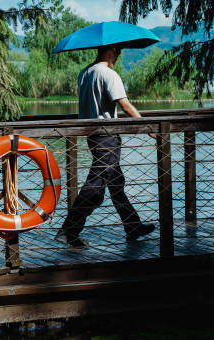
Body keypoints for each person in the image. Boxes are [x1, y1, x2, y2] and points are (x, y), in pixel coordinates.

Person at [55, 45, 156, 248]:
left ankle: (133, 226)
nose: (118, 56)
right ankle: (68, 231)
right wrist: (148, 127)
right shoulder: (108, 74)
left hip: (92, 136)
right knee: (95, 187)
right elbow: (125, 105)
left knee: (116, 184)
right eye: (118, 52)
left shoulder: (85, 72)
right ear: (110, 51)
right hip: (107, 137)